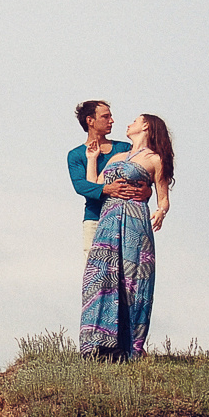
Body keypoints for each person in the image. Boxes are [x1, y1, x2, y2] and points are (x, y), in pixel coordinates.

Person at [79, 113, 175, 360]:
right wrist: (92, 159)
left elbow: (163, 197)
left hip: (134, 221)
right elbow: (94, 184)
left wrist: (160, 212)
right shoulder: (117, 156)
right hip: (108, 220)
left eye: (135, 120)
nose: (129, 123)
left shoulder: (155, 159)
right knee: (101, 275)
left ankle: (129, 347)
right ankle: (98, 345)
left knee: (132, 279)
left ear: (146, 126)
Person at [68, 101, 150, 258]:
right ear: (90, 120)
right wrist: (107, 189)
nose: (111, 121)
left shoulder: (125, 149)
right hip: (95, 218)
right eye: (105, 117)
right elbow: (80, 185)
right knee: (94, 268)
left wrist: (148, 190)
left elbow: (144, 173)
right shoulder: (76, 155)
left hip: (125, 217)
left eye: (110, 116)